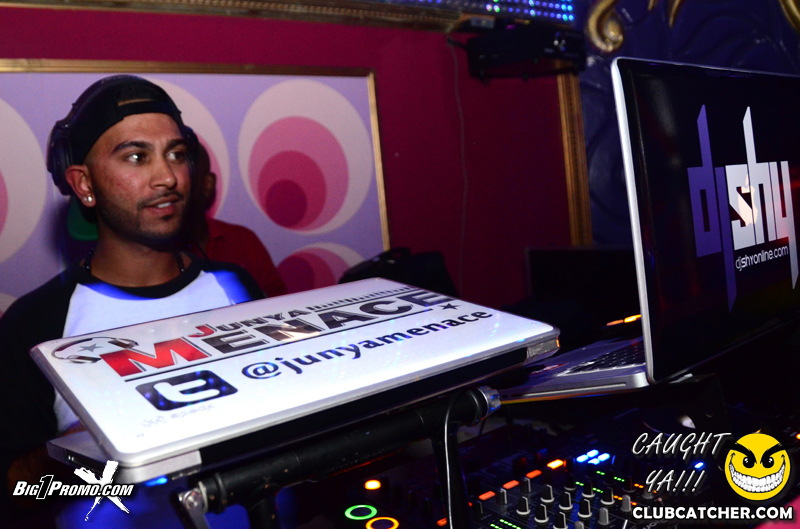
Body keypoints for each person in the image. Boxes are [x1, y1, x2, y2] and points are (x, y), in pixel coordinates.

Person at [0, 75, 264, 525]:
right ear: (84, 184)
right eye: (137, 157)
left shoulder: (234, 285)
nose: (168, 177)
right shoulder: (36, 323)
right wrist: (88, 450)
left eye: (176, 154)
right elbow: (16, 492)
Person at [183, 143, 287, 297]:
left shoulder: (243, 241)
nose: (173, 186)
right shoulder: (152, 255)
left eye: (186, 176)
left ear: (207, 185)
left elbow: (278, 302)